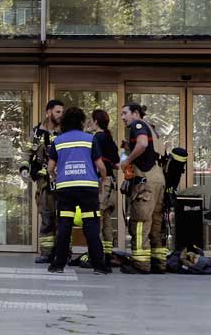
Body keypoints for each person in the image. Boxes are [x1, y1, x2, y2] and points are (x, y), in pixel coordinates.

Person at [46, 107, 108, 275]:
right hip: (88, 188)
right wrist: (102, 181)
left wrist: (55, 177)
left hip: (65, 188)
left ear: (64, 122)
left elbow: (50, 168)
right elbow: (101, 166)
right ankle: (99, 266)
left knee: (64, 226)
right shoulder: (90, 139)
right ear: (81, 122)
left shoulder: (58, 141)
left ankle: (58, 265)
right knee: (91, 226)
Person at [119, 102, 167, 274]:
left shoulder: (137, 125)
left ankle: (140, 263)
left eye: (125, 113)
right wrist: (128, 147)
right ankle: (158, 262)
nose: (123, 117)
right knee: (155, 223)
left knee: (140, 222)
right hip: (157, 178)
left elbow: (142, 144)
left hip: (145, 181)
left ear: (136, 113)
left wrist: (127, 160)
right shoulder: (151, 128)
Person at [19, 99, 64, 263]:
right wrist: (24, 168)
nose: (61, 115)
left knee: (63, 218)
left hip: (62, 181)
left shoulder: (65, 131)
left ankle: (63, 252)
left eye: (62, 112)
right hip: (43, 182)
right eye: (58, 112)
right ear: (48, 113)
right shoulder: (37, 132)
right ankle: (46, 253)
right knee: (46, 217)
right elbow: (27, 152)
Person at [90, 109, 119, 265]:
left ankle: (96, 255)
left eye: (92, 120)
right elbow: (115, 163)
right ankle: (107, 253)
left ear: (96, 121)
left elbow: (95, 161)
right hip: (111, 181)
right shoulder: (109, 138)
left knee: (96, 219)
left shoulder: (96, 138)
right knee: (107, 220)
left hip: (101, 182)